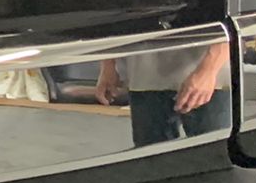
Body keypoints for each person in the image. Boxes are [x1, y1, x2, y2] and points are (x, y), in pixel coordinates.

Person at [97, 40, 230, 147]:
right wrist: (108, 64)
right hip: (144, 73)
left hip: (206, 77)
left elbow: (235, 17)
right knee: (151, 163)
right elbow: (111, 16)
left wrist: (208, 69)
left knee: (215, 158)